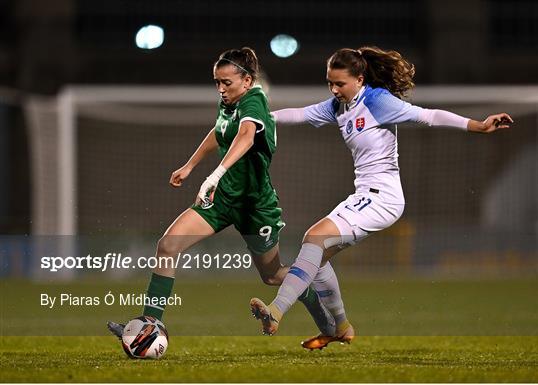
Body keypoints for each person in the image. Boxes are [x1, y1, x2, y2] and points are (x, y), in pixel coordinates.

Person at [250, 46, 513, 350]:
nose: (334, 90)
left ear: (360, 79)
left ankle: (276, 311)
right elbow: (300, 114)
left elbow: (428, 116)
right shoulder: (340, 106)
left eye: (340, 83)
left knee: (314, 238)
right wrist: (259, 120)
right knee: (316, 257)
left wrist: (477, 125)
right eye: (329, 83)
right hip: (365, 194)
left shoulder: (377, 100)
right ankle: (341, 327)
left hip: (383, 197)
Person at [107, 47, 335, 348]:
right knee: (168, 245)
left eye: (227, 82)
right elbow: (220, 131)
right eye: (217, 82)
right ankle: (151, 325)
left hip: (255, 206)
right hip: (223, 199)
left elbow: (246, 136)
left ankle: (320, 311)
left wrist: (214, 174)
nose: (221, 88)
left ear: (247, 80)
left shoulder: (255, 101)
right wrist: (191, 165)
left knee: (271, 276)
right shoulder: (229, 102)